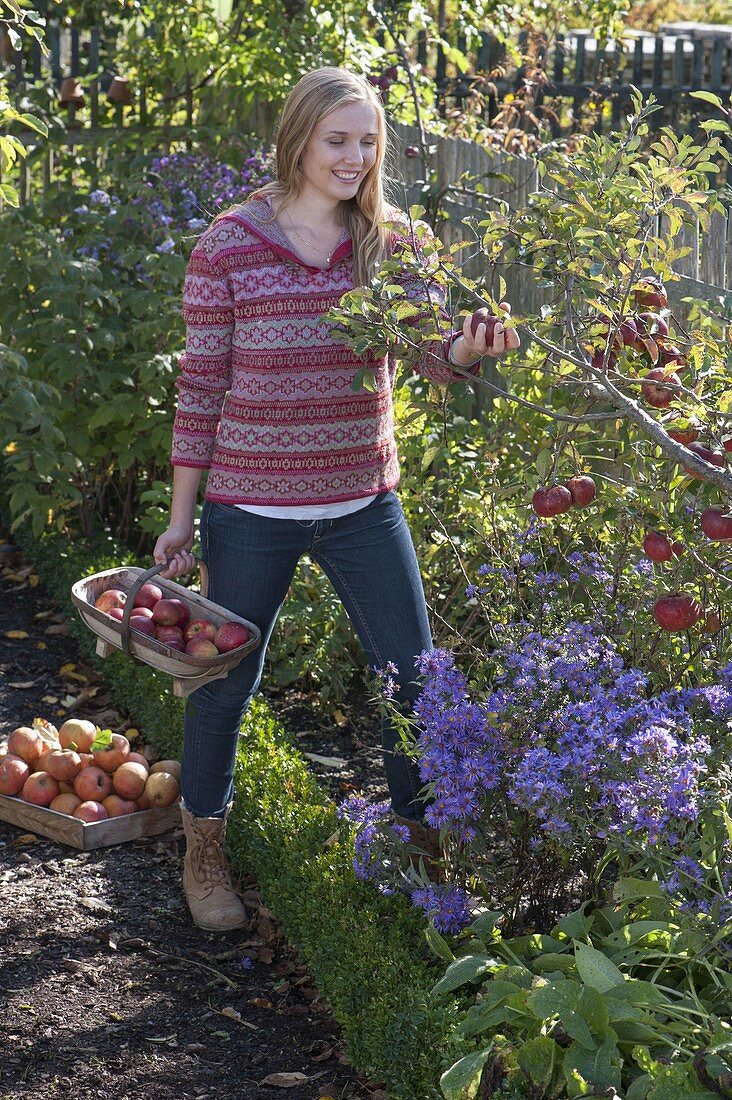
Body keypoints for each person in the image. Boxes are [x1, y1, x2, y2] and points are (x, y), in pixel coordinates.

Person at [153, 66, 520, 933]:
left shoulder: (392, 242)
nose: (355, 158)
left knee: (412, 686)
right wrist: (181, 520)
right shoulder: (230, 244)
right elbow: (201, 387)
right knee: (221, 691)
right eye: (338, 140)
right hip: (249, 510)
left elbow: (430, 357)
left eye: (368, 142)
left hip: (363, 502)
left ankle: (431, 861)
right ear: (299, 139)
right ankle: (203, 859)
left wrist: (466, 353)